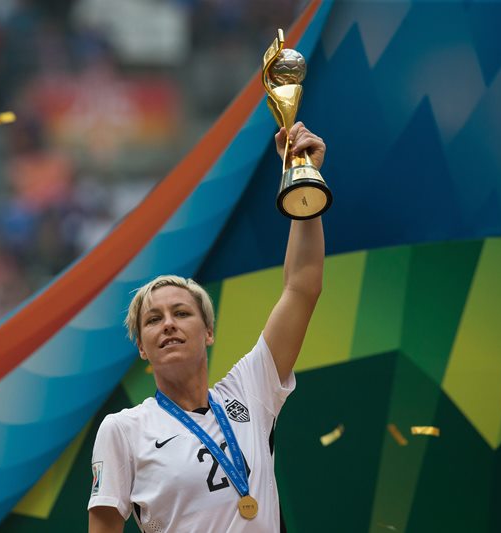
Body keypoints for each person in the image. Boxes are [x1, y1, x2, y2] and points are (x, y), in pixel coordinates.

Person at [87, 122, 325, 532]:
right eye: (153, 319)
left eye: (181, 313)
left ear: (208, 331)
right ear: (142, 347)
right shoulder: (124, 429)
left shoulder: (251, 391)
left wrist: (302, 183)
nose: (168, 325)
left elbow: (302, 286)